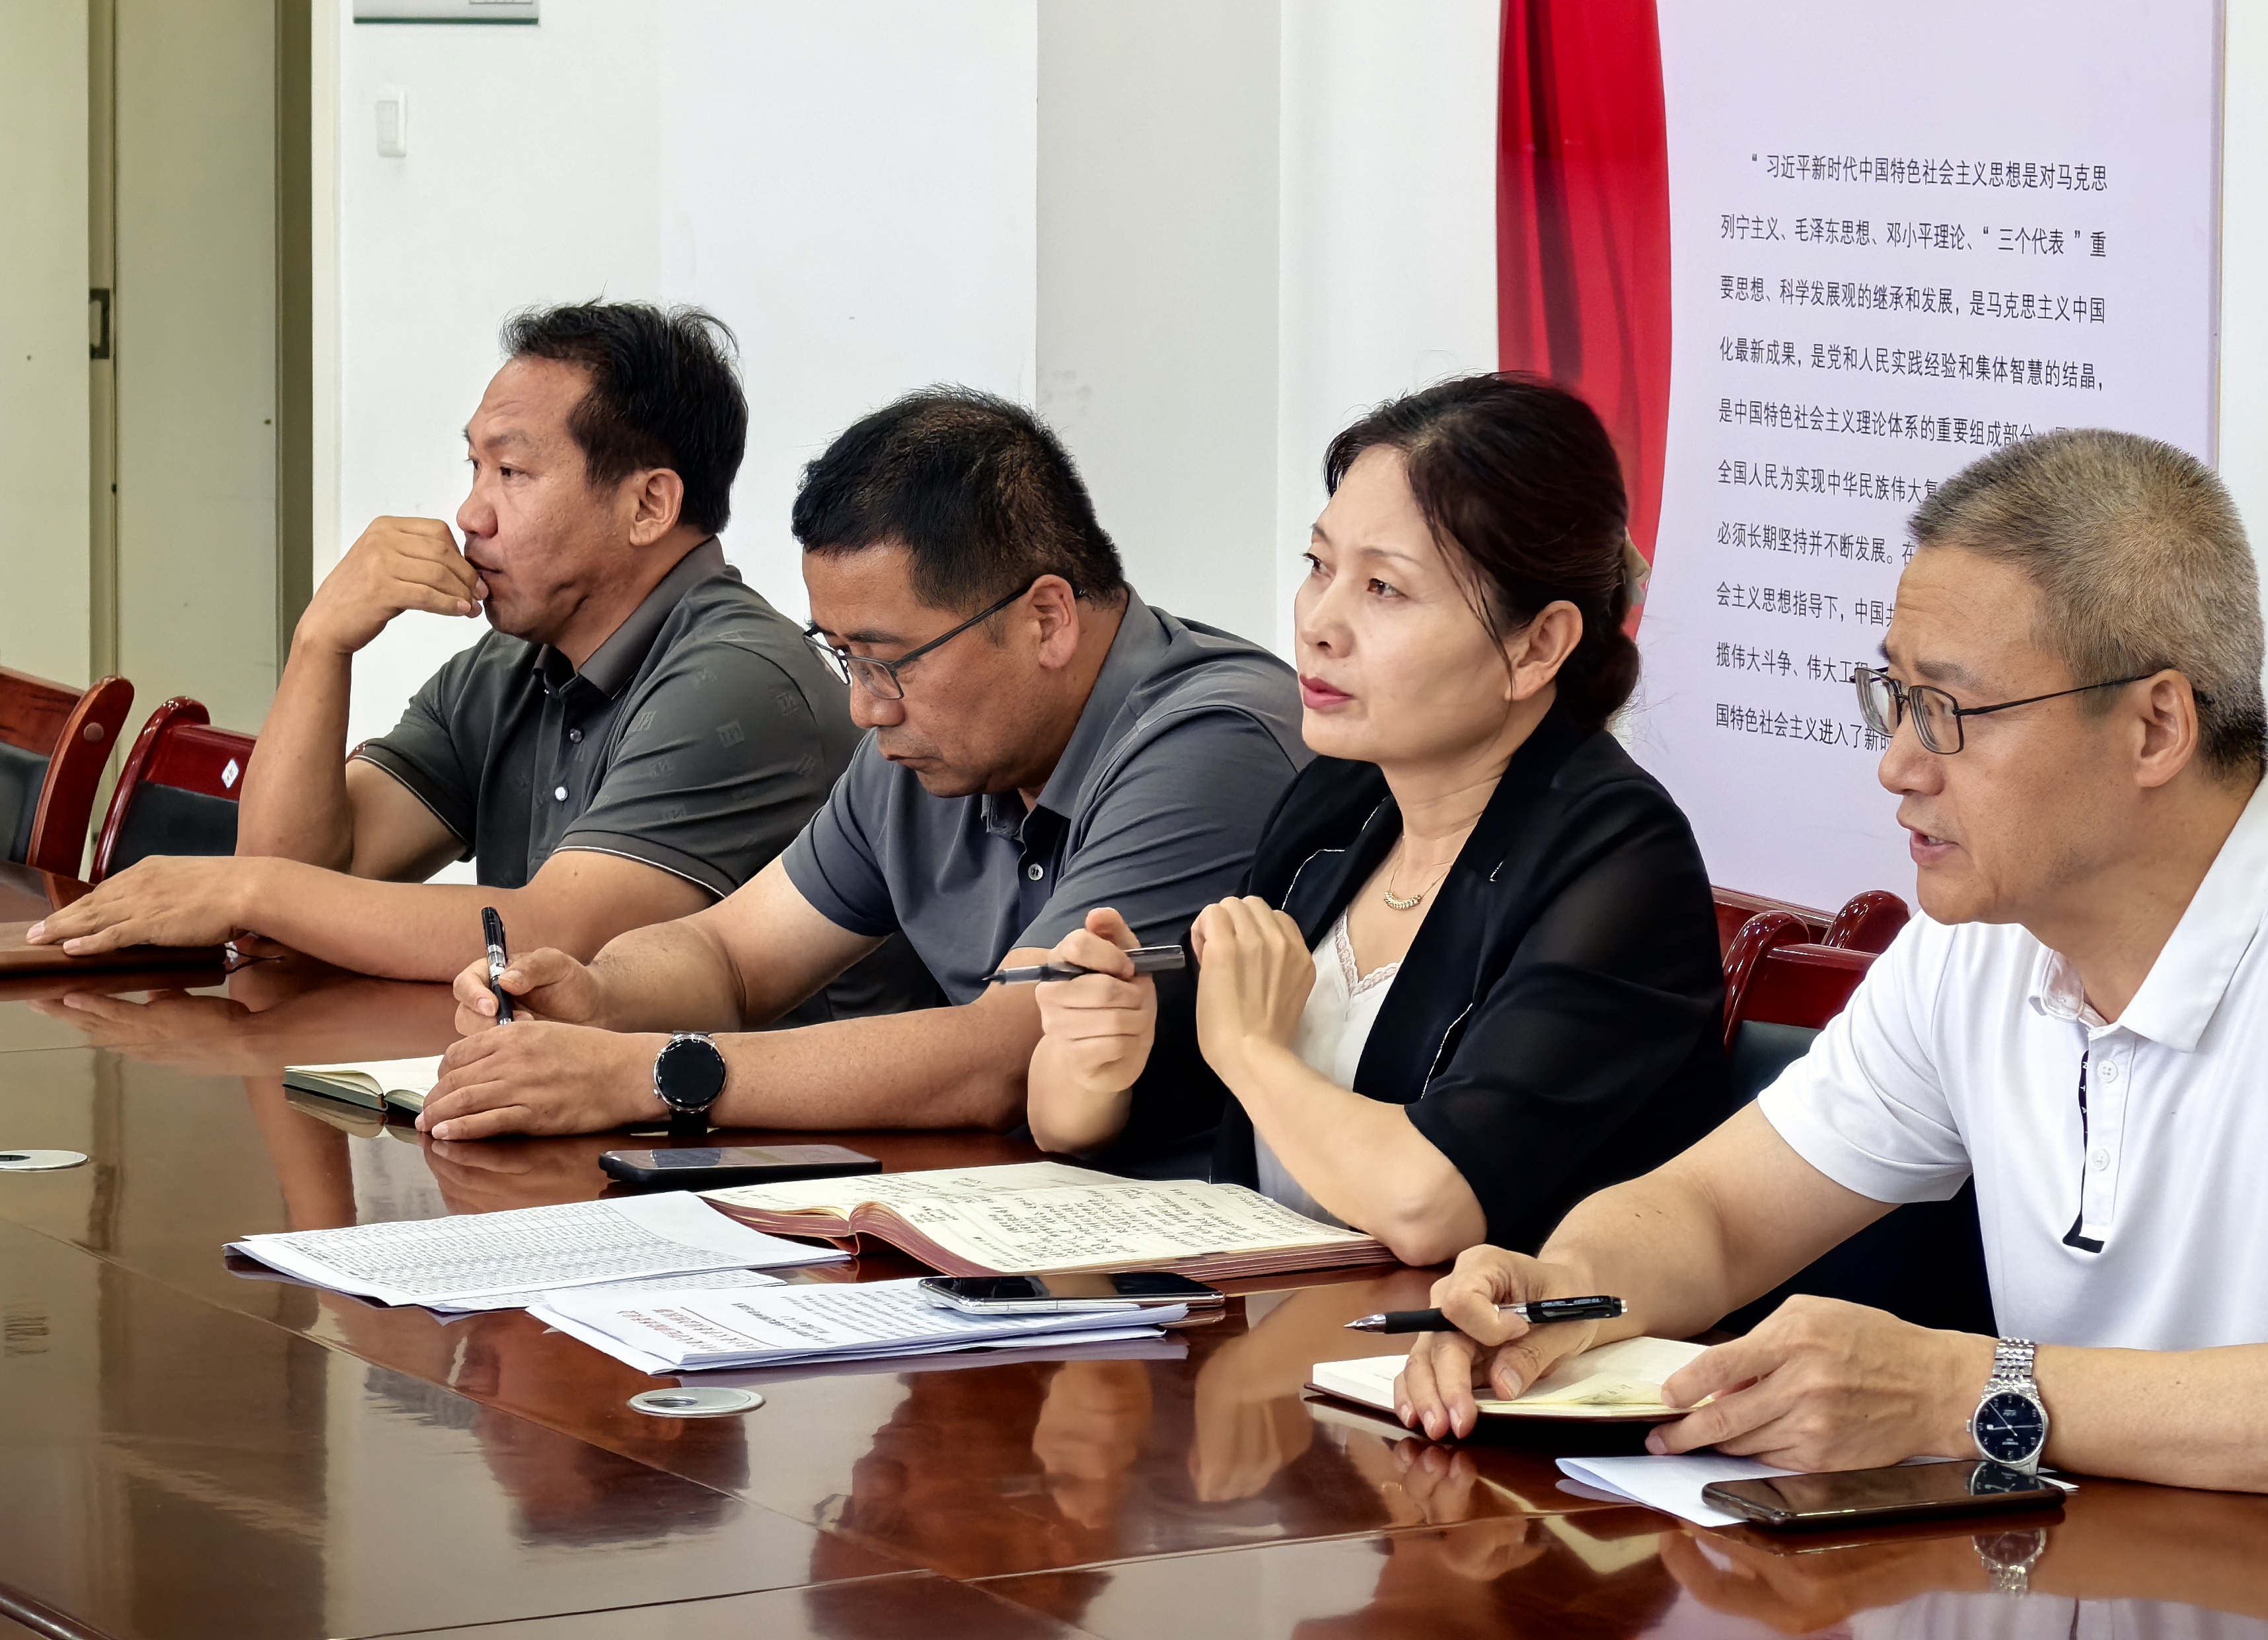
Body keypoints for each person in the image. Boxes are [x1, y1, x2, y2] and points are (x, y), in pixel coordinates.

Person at [1399, 429, 2268, 1524]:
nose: (1897, 764)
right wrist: (1558, 1296)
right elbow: (1716, 1213)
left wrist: (1964, 1389)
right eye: (1894, 696)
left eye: (1949, 710)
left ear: (2155, 727)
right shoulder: (1981, 937)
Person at [416, 388, 1307, 1140]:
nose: (865, 707)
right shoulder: (927, 742)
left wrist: (641, 1073)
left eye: (887, 659)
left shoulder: (1212, 740)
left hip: (1216, 1263)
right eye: (844, 656)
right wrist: (596, 997)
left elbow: (1008, 1053)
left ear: (1046, 619)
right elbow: (731, 955)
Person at [1025, 375, 1730, 1263]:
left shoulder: (1621, 859)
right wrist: (1095, 1051)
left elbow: (1433, 1204)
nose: (1319, 623)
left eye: (1385, 588)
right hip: (1282, 1324)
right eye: (1319, 566)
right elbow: (1070, 1123)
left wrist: (1247, 1049)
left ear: (1537, 644)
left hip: (1477, 1343)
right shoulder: (1337, 804)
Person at [30, 303, 845, 980]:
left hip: (780, 1125)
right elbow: (306, 887)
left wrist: (247, 890)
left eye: (511, 473)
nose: (470, 514)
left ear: (648, 506)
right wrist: (321, 641)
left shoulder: (738, 682)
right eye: (474, 468)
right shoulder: (508, 667)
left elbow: (559, 939)